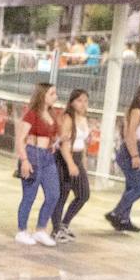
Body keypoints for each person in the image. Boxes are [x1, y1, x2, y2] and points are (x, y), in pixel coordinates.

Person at [13, 82, 61, 247]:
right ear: (43, 95)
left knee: (54, 194)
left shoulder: (52, 115)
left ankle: (41, 229)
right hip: (33, 155)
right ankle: (22, 230)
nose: (56, 96)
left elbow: (54, 135)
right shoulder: (31, 114)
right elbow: (20, 139)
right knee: (29, 196)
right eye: (52, 93)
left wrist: (54, 144)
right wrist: (24, 160)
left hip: (48, 157)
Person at [107, 84, 140, 233]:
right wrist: (135, 155)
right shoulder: (136, 111)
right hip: (133, 151)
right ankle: (116, 213)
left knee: (132, 186)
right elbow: (130, 134)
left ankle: (123, 219)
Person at [51, 89, 91, 243]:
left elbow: (83, 142)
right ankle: (56, 229)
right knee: (63, 194)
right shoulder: (68, 118)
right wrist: (70, 163)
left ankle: (64, 223)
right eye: (79, 100)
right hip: (67, 158)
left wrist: (83, 161)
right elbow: (63, 143)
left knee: (83, 194)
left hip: (78, 157)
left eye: (85, 101)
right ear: (72, 102)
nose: (83, 104)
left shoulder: (83, 118)